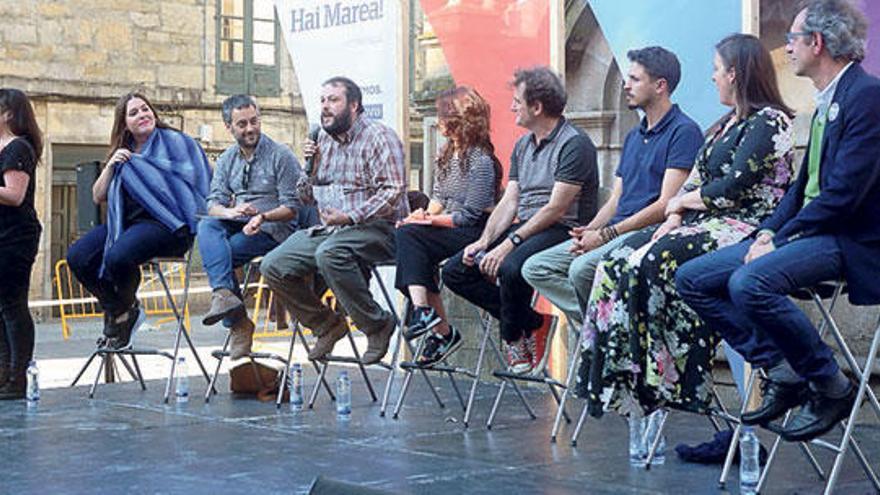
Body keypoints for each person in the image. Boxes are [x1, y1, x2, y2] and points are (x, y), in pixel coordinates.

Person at [677, 0, 880, 443]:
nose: (786, 47)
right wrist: (769, 230)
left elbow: (843, 196)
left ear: (817, 42)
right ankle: (783, 369)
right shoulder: (828, 98)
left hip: (848, 239)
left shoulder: (866, 97)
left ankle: (830, 383)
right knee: (692, 278)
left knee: (749, 283)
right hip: (811, 232)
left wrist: (780, 238)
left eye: (791, 38)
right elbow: (802, 186)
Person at [576, 33, 795, 421]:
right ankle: (621, 372)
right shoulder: (725, 124)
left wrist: (678, 204)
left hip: (743, 224)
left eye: (716, 70)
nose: (712, 78)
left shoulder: (770, 121)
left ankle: (664, 377)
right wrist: (674, 216)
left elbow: (732, 187)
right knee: (616, 261)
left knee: (652, 260)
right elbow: (695, 180)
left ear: (736, 73)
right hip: (702, 221)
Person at [522, 46, 702, 330]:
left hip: (648, 233)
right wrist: (589, 231)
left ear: (660, 86)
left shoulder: (684, 131)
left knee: (581, 270)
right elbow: (617, 198)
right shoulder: (634, 135)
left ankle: (605, 328)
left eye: (634, 79)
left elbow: (667, 203)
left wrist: (605, 234)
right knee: (535, 267)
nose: (625, 85)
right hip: (614, 231)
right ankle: (609, 324)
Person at [442, 66, 599, 375]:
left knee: (511, 267)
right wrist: (485, 242)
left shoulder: (574, 143)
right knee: (456, 270)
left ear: (537, 107)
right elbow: (509, 201)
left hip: (564, 229)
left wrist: (510, 244)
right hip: (527, 227)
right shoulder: (523, 145)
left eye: (517, 100)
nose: (512, 106)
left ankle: (513, 336)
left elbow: (556, 209)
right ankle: (531, 322)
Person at [260, 76, 407, 365]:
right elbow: (305, 198)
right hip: (332, 229)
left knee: (330, 253)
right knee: (273, 265)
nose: (325, 107)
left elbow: (394, 189)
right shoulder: (321, 140)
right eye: (323, 101)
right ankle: (326, 324)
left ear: (354, 105)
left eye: (334, 100)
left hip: (380, 228)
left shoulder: (379, 136)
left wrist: (351, 215)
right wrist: (310, 168)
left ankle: (377, 325)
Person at [67, 92, 211, 350]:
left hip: (169, 224)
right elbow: (98, 195)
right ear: (124, 124)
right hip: (125, 224)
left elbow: (200, 179)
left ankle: (121, 313)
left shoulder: (176, 143)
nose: (143, 115)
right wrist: (111, 164)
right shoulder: (124, 155)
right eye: (134, 113)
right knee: (78, 256)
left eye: (146, 109)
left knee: (117, 257)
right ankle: (123, 309)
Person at [395, 86, 502, 365]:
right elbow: (439, 198)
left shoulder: (481, 161)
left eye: (443, 114)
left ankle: (434, 323)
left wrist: (429, 221)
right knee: (408, 234)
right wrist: (422, 216)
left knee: (412, 238)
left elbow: (469, 216)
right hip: (450, 226)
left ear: (458, 119)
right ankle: (429, 318)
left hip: (475, 232)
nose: (439, 121)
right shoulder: (447, 156)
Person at [198, 95, 304, 359]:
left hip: (273, 228)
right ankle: (227, 300)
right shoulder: (225, 160)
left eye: (254, 121)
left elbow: (293, 208)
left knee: (226, 253)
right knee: (207, 226)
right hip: (238, 221)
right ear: (229, 127)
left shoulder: (281, 155)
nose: (250, 129)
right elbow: (213, 203)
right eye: (242, 124)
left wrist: (263, 217)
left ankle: (237, 324)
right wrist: (230, 211)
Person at [0, 89, 43, 400]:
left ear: (7, 114)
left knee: (13, 306)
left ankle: (18, 377)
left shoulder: (19, 148)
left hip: (15, 237)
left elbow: (14, 195)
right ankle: (4, 373)